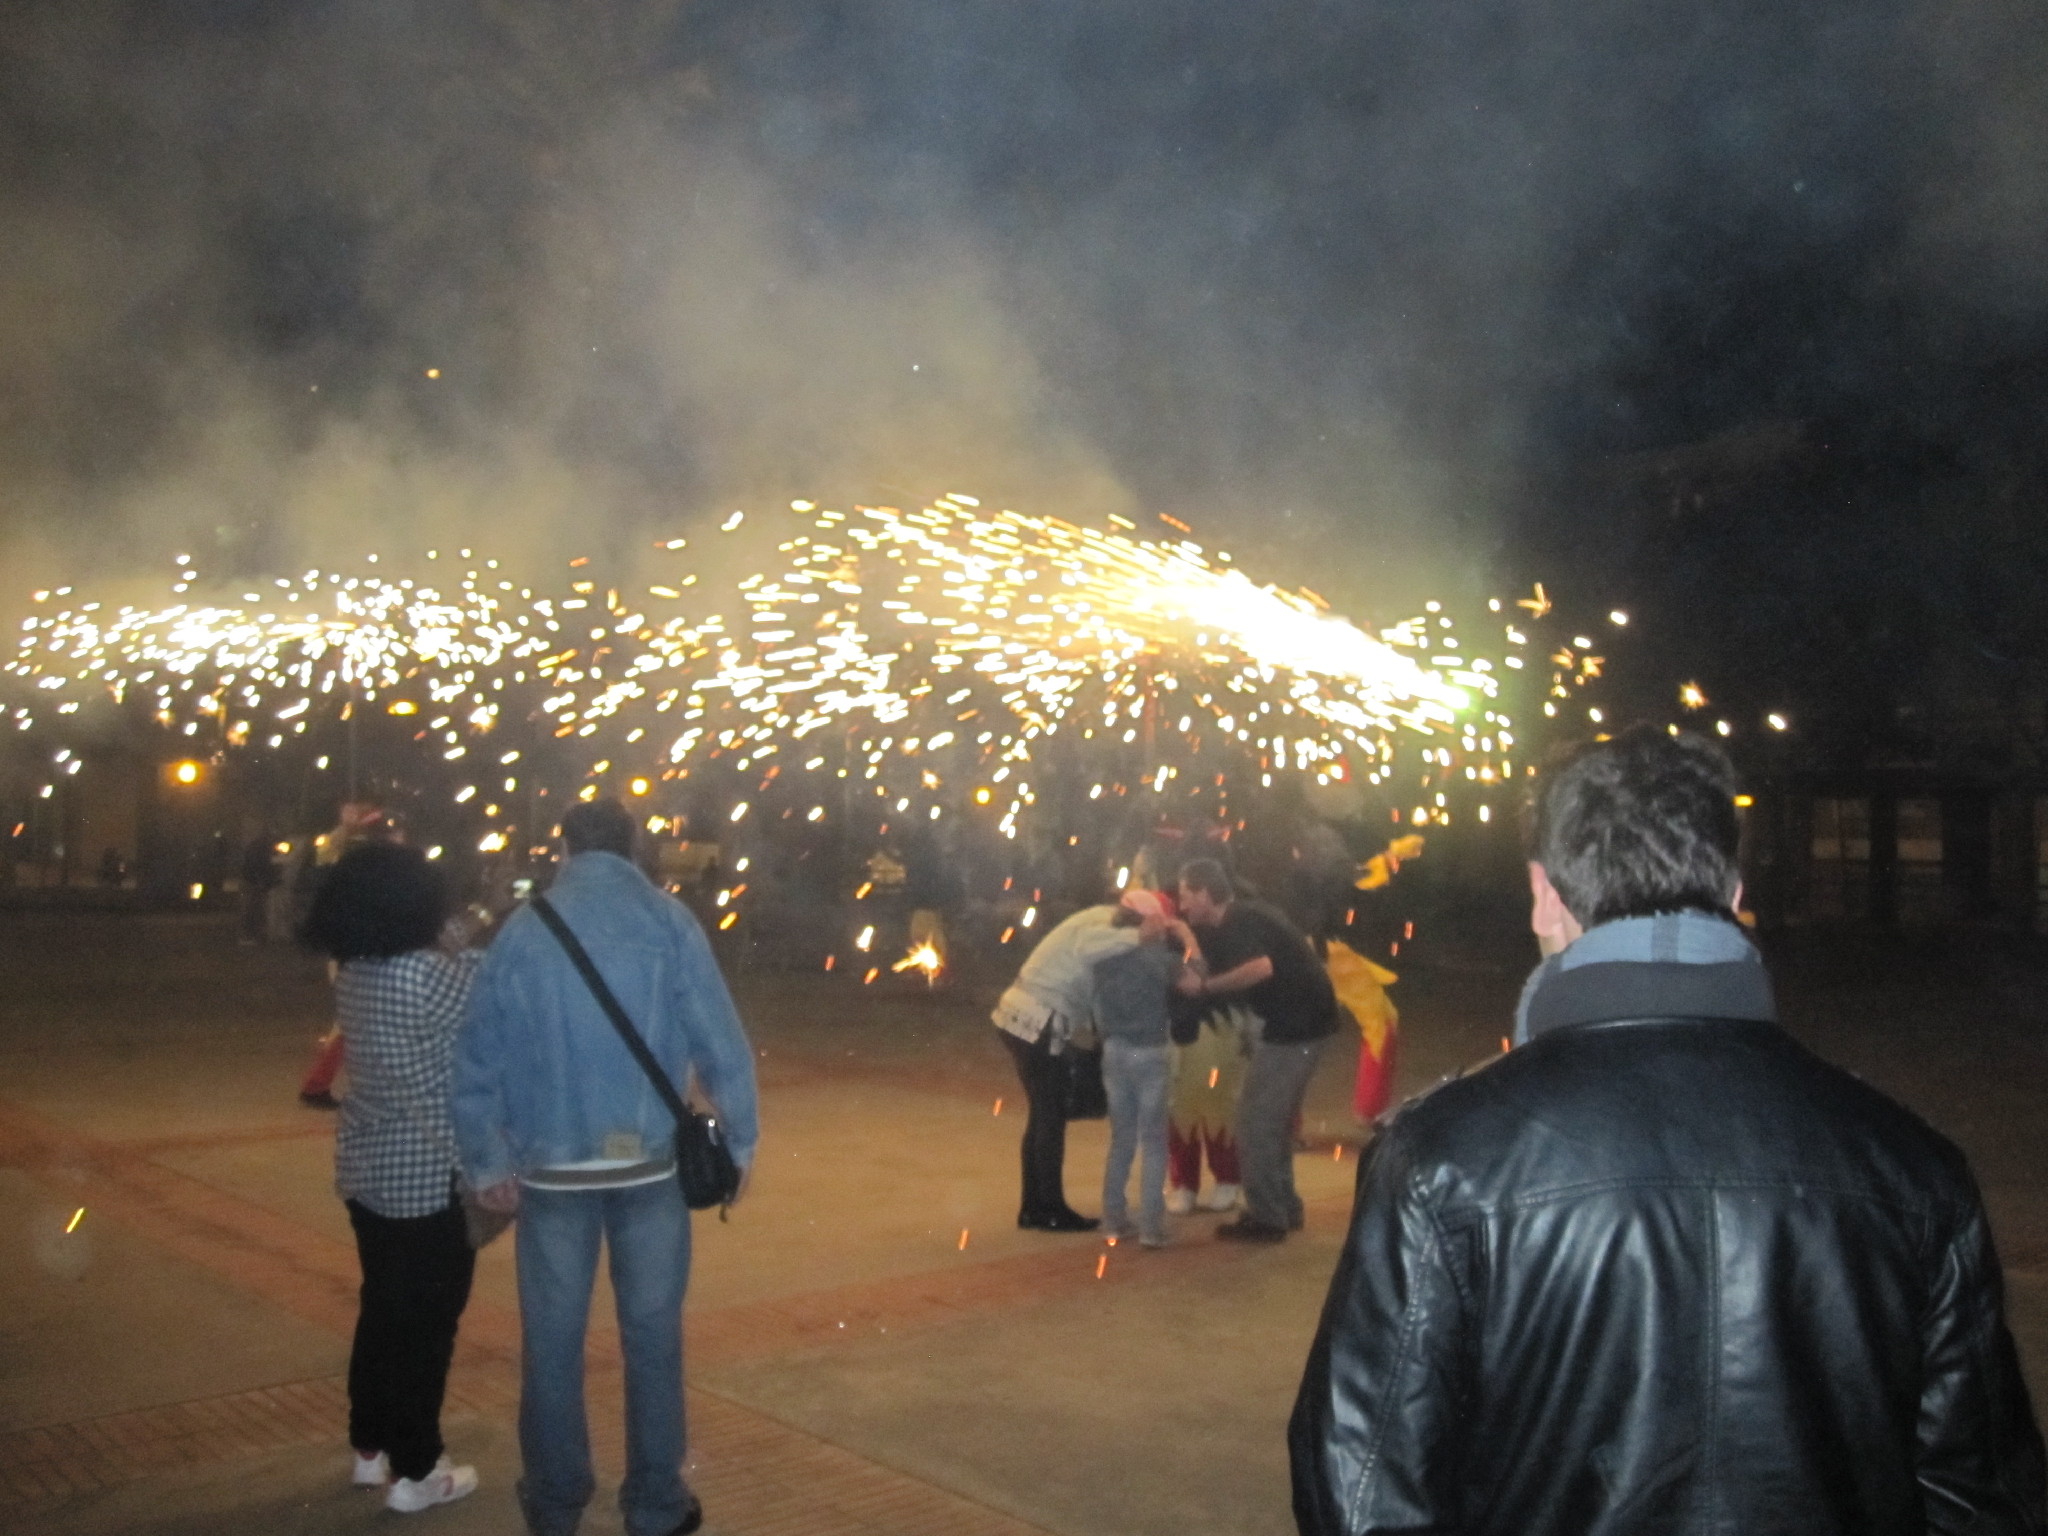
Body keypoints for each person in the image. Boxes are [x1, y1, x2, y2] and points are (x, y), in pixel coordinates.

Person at [1291, 727, 2046, 1535]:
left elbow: (1362, 1489)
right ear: (1733, 890)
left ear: (1544, 893)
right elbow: (1981, 1497)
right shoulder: (1913, 1167)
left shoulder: (1439, 1160)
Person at [452, 799, 758, 1536]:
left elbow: (477, 1058)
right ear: (634, 846)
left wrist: (487, 1161)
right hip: (648, 1167)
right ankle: (654, 1504)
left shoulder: (524, 930)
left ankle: (556, 1501)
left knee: (552, 1345)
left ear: (563, 849)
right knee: (652, 1339)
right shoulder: (668, 922)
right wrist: (740, 1143)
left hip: (552, 1172)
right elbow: (721, 1041)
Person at [297, 842, 481, 1515]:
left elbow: (452, 952)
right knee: (426, 1329)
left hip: (370, 1169)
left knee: (383, 1310)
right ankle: (418, 1469)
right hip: (429, 1175)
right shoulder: (428, 975)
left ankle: (369, 1445)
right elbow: (488, 977)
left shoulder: (357, 970)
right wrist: (470, 923)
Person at [1175, 860, 1339, 1243]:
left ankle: (1268, 1218)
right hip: (1304, 1024)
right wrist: (1186, 936)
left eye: (1186, 896)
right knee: (1272, 1122)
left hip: (1295, 1029)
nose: (1182, 905)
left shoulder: (1241, 923)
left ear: (1204, 893)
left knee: (1255, 1123)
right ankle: (1283, 1208)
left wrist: (1207, 988)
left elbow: (1261, 968)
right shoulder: (1241, 917)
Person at [993, 896, 1172, 1231]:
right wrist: (1139, 937)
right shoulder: (1104, 925)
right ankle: (1051, 1209)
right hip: (1039, 1018)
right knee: (1050, 1116)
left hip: (1020, 1014)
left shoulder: (1098, 920)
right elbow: (1088, 950)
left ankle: (1034, 1207)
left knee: (1042, 1114)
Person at [1093, 888, 1199, 1248]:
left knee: (1121, 1138)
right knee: (1153, 1142)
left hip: (1114, 1050)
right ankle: (1152, 1227)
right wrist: (1188, 939)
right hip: (1150, 1052)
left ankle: (1113, 1219)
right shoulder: (1157, 959)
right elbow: (1195, 983)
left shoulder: (1104, 954)